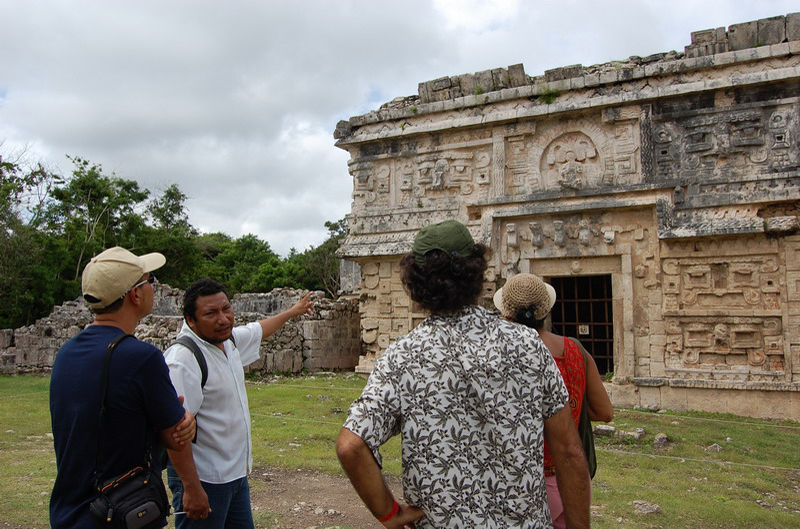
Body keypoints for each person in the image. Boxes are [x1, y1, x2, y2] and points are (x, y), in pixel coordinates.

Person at [337, 219, 591, 528]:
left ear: (414, 283)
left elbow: (352, 445)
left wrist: (390, 512)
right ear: (476, 273)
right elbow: (569, 451)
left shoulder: (402, 357)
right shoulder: (528, 344)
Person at [49, 246, 197, 528]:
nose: (154, 288)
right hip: (123, 511)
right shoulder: (140, 358)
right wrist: (182, 423)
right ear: (136, 294)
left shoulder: (67, 353)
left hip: (71, 512)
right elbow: (174, 435)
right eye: (150, 280)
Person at [164, 278, 314, 528]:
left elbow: (259, 329)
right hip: (205, 478)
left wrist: (292, 311)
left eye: (226, 309)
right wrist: (191, 487)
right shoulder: (184, 361)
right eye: (211, 313)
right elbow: (174, 432)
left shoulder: (228, 341)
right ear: (191, 320)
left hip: (235, 474)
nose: (223, 319)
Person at [494, 273, 613, 529]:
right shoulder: (575, 351)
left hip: (515, 478)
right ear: (546, 310)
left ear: (506, 313)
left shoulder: (497, 357)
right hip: (567, 478)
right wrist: (563, 407)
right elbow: (604, 411)